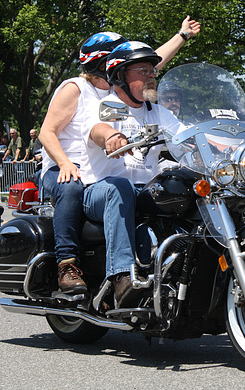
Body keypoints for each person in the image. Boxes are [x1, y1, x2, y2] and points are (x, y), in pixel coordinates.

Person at [39, 16, 200, 295]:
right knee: (73, 187)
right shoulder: (83, 91)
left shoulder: (137, 99)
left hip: (116, 170)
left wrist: (182, 35)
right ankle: (72, 263)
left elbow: (149, 65)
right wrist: (73, 158)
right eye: (117, 57)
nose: (151, 74)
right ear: (107, 64)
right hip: (72, 166)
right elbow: (57, 131)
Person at [83, 41, 184, 308]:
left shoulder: (159, 112)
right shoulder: (107, 105)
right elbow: (97, 128)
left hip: (145, 189)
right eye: (143, 71)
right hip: (100, 190)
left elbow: (188, 137)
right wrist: (112, 135)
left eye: (152, 70)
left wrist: (232, 146)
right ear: (120, 77)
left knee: (186, 188)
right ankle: (121, 276)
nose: (151, 76)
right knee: (121, 188)